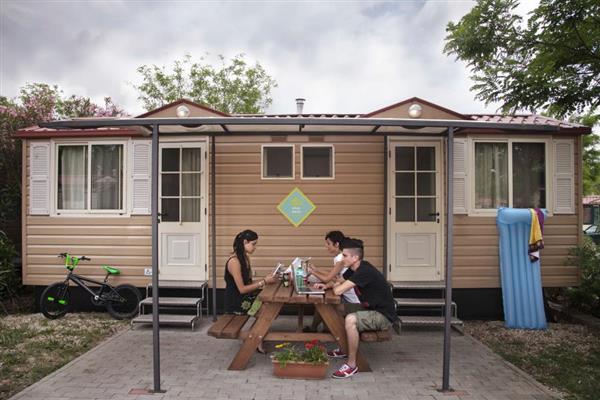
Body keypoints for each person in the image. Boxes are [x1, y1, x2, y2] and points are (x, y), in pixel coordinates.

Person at [315, 238, 399, 379]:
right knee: (337, 308)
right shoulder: (354, 268)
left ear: (355, 257)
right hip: (370, 308)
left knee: (351, 319)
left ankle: (352, 364)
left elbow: (338, 290)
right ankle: (344, 347)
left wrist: (335, 287)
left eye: (345, 255)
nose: (342, 258)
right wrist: (326, 286)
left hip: (383, 316)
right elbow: (338, 282)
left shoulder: (364, 271)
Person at [224, 229, 278, 352]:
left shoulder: (244, 258)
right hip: (236, 301)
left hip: (244, 297)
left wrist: (266, 279)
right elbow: (242, 289)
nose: (255, 247)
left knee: (271, 306)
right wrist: (264, 281)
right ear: (245, 242)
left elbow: (248, 283)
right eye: (253, 244)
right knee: (267, 311)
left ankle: (253, 336)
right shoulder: (234, 261)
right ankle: (254, 339)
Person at [304, 231, 361, 332]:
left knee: (324, 304)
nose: (326, 246)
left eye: (328, 243)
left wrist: (312, 271)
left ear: (337, 244)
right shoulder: (341, 258)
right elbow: (333, 276)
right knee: (323, 302)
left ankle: (326, 330)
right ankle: (319, 328)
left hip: (353, 302)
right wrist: (316, 270)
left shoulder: (341, 258)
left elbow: (328, 278)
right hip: (347, 298)